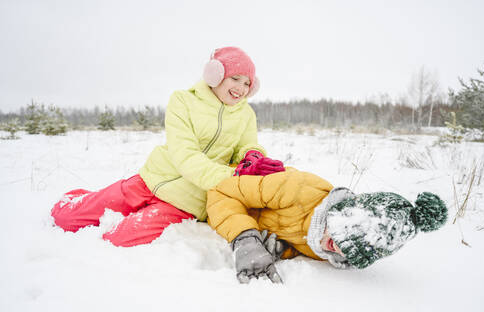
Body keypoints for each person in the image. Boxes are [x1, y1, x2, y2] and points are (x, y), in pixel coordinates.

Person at [51, 47, 285, 247]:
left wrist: (252, 156)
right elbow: (185, 154)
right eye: (236, 79)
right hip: (150, 181)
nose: (242, 89)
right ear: (215, 75)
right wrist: (232, 175)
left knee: (117, 239)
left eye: (247, 83)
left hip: (186, 201)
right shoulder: (182, 100)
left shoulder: (246, 114)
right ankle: (84, 198)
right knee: (65, 217)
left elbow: (246, 146)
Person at [206, 168, 448, 284]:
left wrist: (281, 250)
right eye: (345, 238)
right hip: (228, 175)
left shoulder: (330, 250)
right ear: (344, 216)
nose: (339, 250)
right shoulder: (296, 189)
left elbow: (301, 244)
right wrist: (246, 237)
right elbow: (221, 193)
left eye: (351, 252)